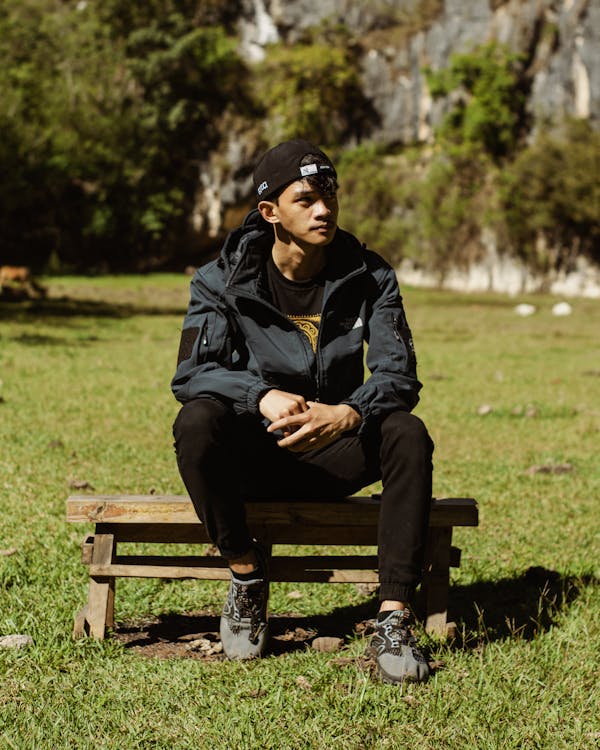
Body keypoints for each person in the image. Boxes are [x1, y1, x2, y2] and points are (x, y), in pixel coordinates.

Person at [172, 139, 434, 684]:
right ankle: (246, 576)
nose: (324, 209)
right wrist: (256, 395)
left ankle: (392, 617)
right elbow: (192, 374)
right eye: (307, 198)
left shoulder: (370, 276)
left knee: (407, 432)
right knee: (196, 420)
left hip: (338, 451)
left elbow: (398, 376)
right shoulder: (220, 280)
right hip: (258, 454)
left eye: (329, 194)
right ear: (270, 212)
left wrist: (347, 413)